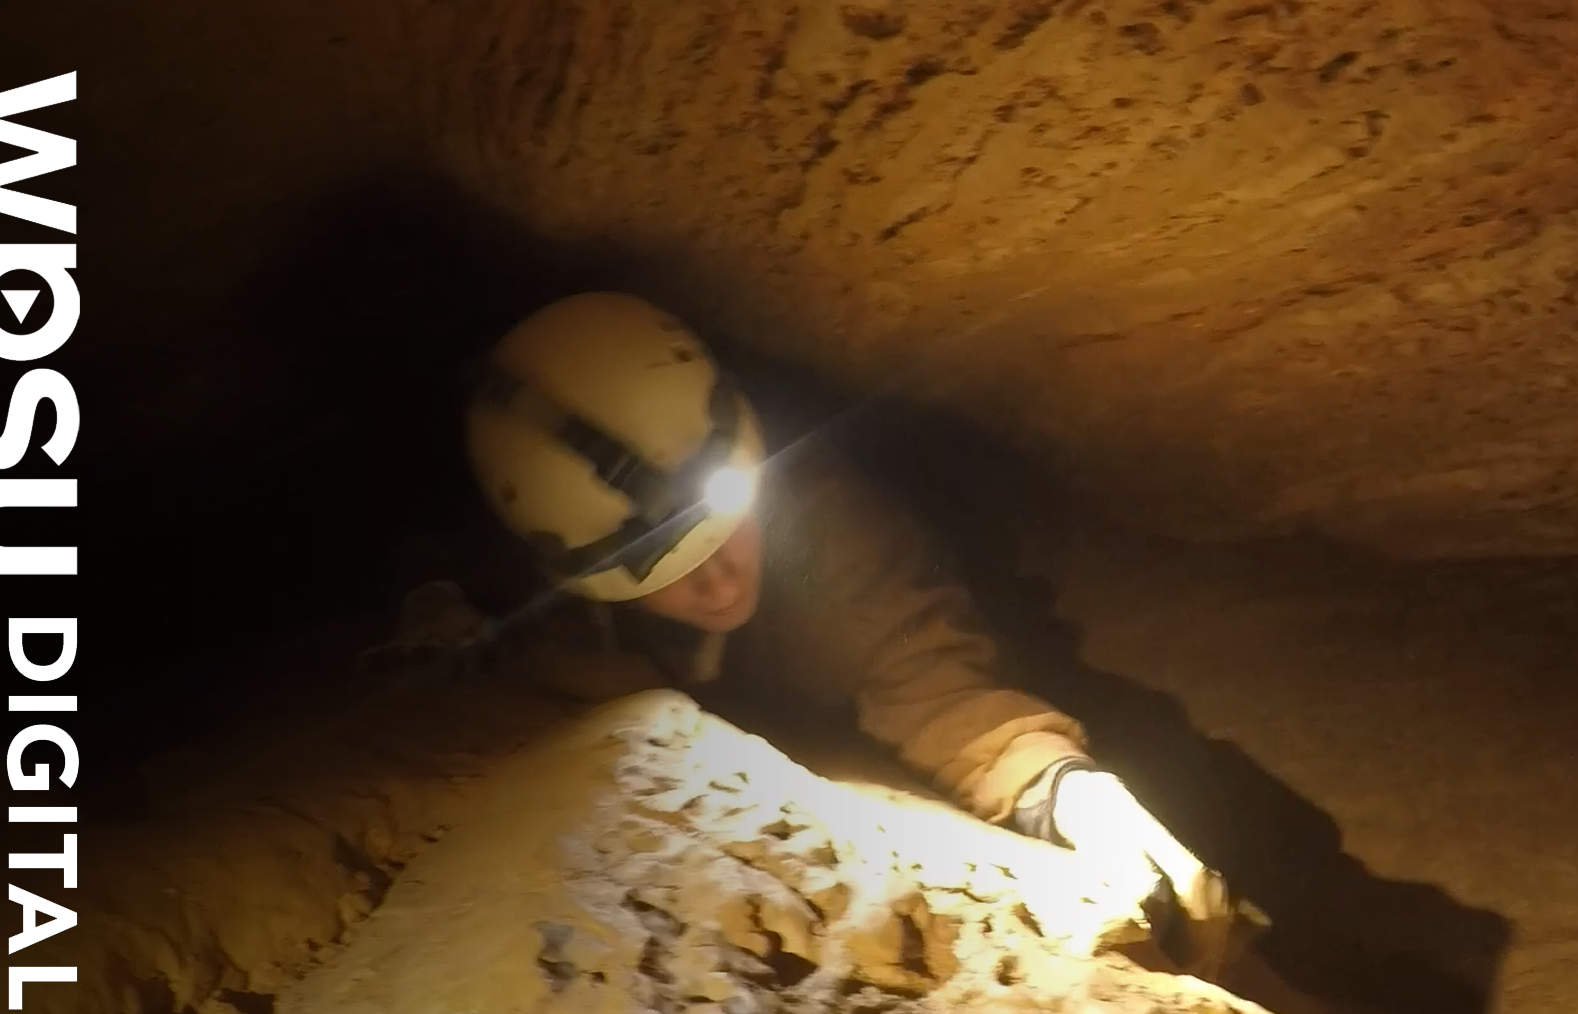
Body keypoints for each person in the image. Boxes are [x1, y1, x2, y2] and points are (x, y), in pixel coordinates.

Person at [455, 290, 1247, 965]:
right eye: (664, 570)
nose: (720, 578)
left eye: (725, 523)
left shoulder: (827, 540)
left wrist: (1072, 796)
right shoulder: (537, 603)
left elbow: (935, 689)